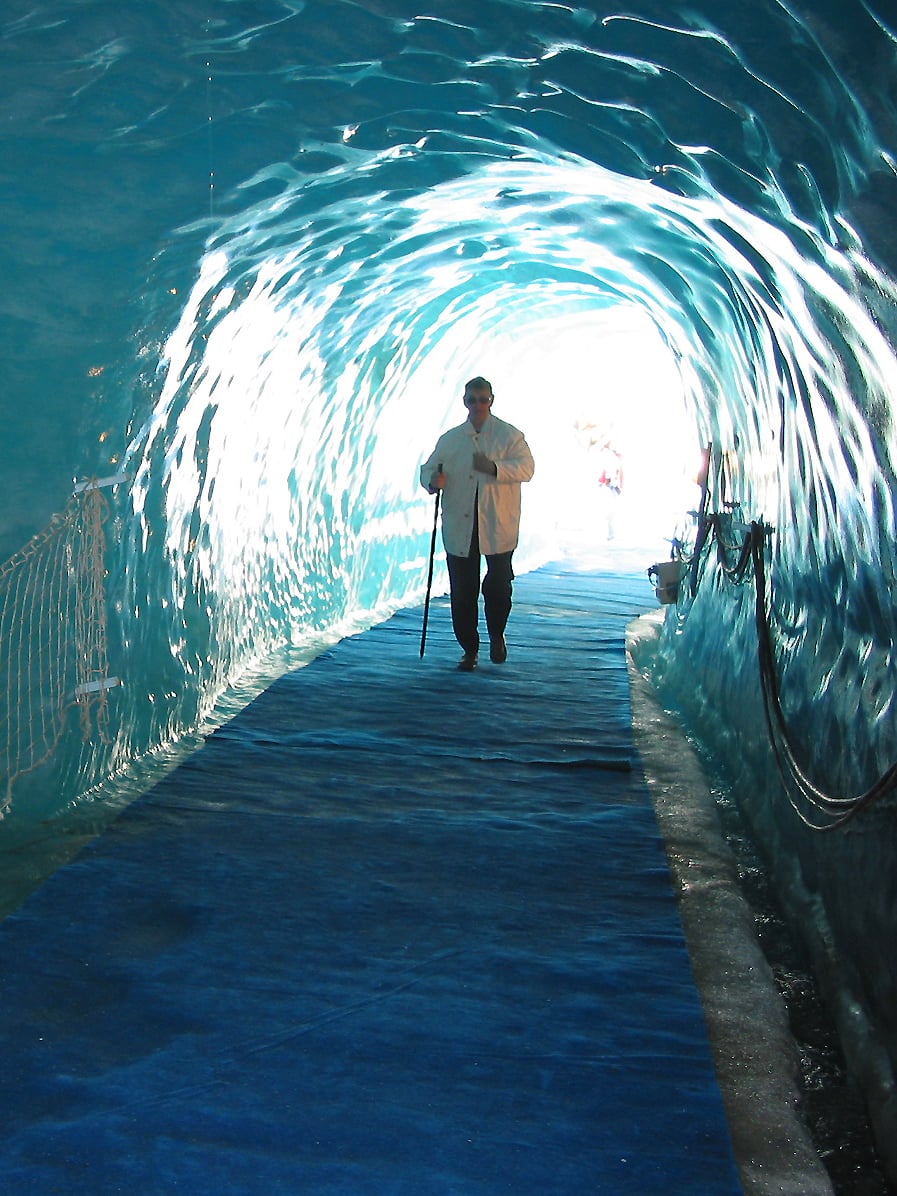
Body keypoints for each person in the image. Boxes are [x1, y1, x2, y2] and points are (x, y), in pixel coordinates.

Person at [420, 376, 535, 671]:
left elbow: (527, 468)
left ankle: (497, 634)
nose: (478, 405)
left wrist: (495, 468)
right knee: (463, 590)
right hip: (461, 524)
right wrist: (433, 481)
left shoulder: (509, 436)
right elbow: (429, 469)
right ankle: (469, 649)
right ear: (465, 402)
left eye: (483, 399)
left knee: (498, 586)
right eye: (473, 400)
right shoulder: (451, 439)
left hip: (498, 524)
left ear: (491, 400)